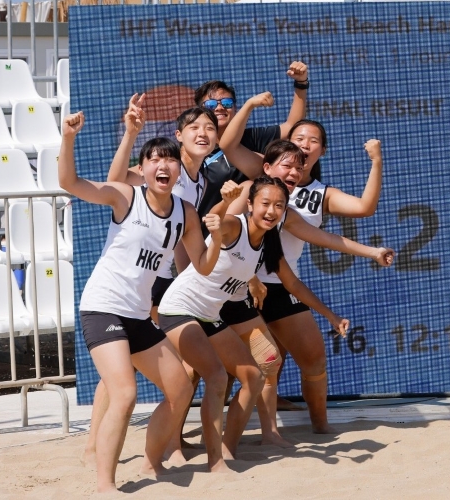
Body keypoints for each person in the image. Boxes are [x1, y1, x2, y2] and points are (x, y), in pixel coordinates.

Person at [60, 112, 222, 492]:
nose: (163, 165)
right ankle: (105, 484)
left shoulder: (186, 213)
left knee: (181, 389)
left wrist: (220, 237)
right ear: (143, 169)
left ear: (178, 173)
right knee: (125, 392)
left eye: (170, 160)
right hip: (103, 307)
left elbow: (201, 265)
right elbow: (68, 182)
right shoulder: (125, 196)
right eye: (155, 159)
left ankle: (151, 464)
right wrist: (67, 138)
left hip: (136, 315)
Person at [218, 140, 395, 450]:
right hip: (230, 291)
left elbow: (325, 240)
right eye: (288, 165)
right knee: (228, 370)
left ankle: (303, 428)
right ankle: (202, 441)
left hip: (277, 287)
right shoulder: (247, 193)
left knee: (301, 358)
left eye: (300, 167)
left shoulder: (284, 212)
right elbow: (218, 236)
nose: (295, 171)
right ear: (268, 168)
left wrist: (373, 252)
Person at [107, 97, 219, 320]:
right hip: (138, 277)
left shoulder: (202, 184)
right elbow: (115, 182)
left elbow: (182, 240)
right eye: (194, 127)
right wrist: (130, 134)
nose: (202, 133)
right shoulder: (162, 167)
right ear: (178, 135)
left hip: (164, 277)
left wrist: (187, 281)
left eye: (210, 128)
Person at [196, 61, 310, 217]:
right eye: (210, 104)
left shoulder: (252, 138)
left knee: (250, 185)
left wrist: (301, 83)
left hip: (243, 231)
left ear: (235, 108)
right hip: (203, 227)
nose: (220, 108)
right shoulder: (195, 148)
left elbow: (292, 126)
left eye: (227, 103)